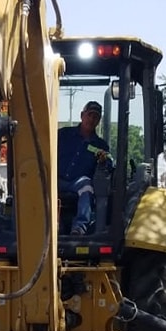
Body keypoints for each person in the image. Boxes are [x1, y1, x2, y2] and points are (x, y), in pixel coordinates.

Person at [57, 100, 110, 234]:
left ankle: (79, 227)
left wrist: (104, 161)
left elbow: (109, 164)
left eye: (96, 117)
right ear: (82, 115)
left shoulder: (101, 145)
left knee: (86, 185)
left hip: (77, 182)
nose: (92, 119)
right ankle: (47, 224)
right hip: (56, 179)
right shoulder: (63, 135)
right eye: (90, 115)